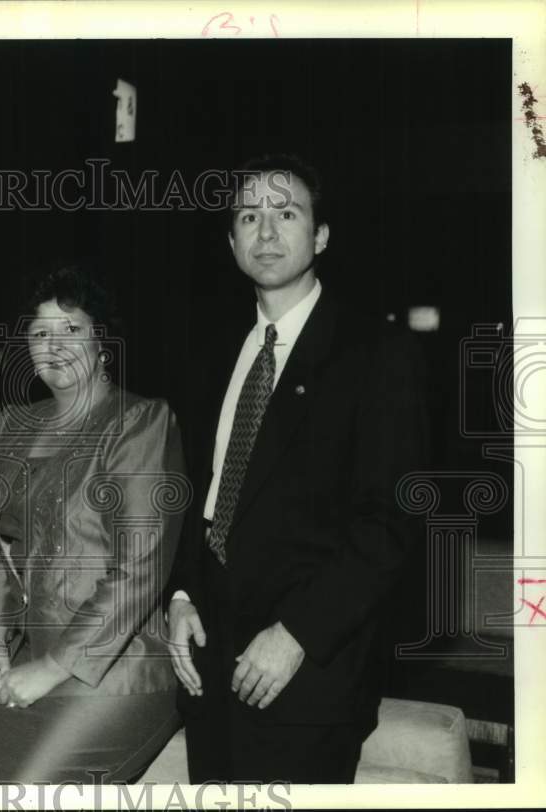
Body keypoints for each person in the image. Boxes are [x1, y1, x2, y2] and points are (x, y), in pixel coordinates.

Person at [167, 154, 428, 783]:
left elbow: (390, 523)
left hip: (310, 678)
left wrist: (297, 635)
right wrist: (178, 595)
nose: (265, 232)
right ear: (231, 242)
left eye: (286, 214)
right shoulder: (209, 352)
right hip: (210, 672)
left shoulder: (378, 353)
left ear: (321, 235)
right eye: (249, 216)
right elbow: (197, 497)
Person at [0, 264, 187, 784]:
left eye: (72, 329)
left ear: (102, 342)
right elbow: (2, 548)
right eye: (40, 332)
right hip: (27, 658)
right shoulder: (15, 425)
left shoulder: (141, 420)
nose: (54, 343)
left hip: (116, 667)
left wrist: (52, 668)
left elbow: (140, 569)